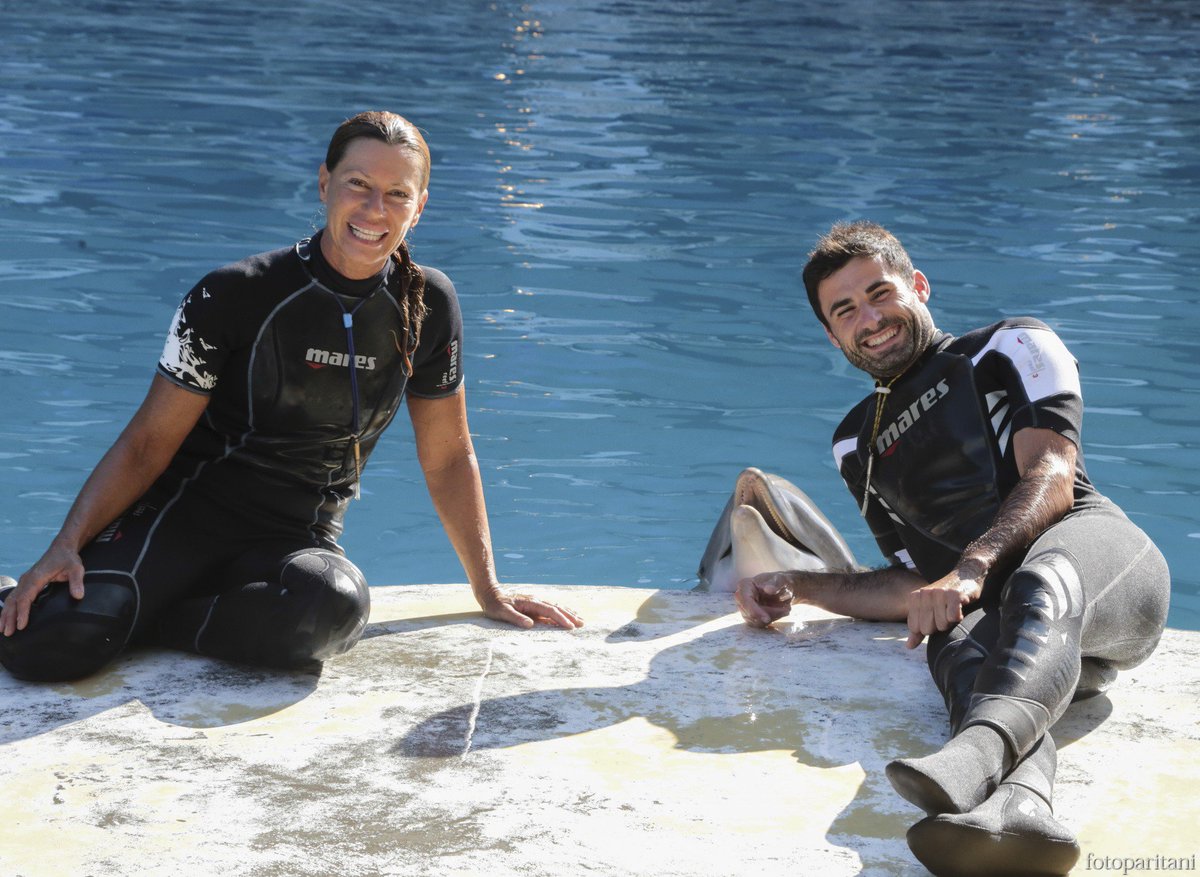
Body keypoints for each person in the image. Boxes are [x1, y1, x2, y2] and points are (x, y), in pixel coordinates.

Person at [0, 111, 582, 682]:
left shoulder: (427, 305)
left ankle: (157, 620)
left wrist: (487, 587)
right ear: (325, 182)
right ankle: (125, 606)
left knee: (331, 611)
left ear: (420, 206)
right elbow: (149, 440)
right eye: (358, 184)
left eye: (397, 194)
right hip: (181, 519)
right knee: (51, 645)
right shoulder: (233, 293)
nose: (375, 210)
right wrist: (65, 543)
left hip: (296, 539)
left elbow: (449, 456)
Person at [734, 221, 1169, 877]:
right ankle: (1019, 815)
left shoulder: (1009, 345)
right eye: (845, 310)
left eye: (880, 293)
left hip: (1101, 572)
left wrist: (971, 567)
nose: (869, 318)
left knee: (1037, 582)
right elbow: (915, 582)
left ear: (918, 285)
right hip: (1024, 638)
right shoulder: (855, 443)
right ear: (832, 334)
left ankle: (972, 753)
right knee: (954, 644)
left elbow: (1050, 473)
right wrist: (798, 583)